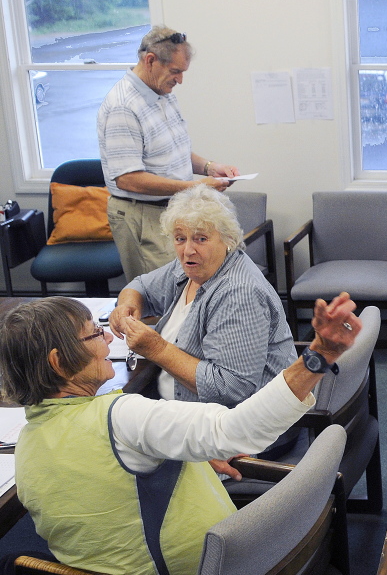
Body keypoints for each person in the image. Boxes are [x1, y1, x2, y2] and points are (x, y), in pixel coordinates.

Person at [0, 294, 360, 575]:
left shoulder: (27, 447)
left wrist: (187, 454)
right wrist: (319, 354)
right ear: (58, 362)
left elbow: (102, 484)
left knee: (17, 566)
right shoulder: (123, 417)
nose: (109, 336)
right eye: (94, 334)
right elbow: (238, 430)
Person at [108, 185, 297, 462]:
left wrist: (157, 349)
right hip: (184, 413)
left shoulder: (238, 293)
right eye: (179, 238)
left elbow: (232, 388)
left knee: (111, 452)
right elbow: (141, 287)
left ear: (227, 239)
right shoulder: (189, 267)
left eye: (201, 238)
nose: (187, 250)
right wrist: (127, 304)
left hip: (233, 430)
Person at [98, 25, 240, 281]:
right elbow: (127, 178)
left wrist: (208, 167)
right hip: (142, 214)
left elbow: (173, 153)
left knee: (186, 287)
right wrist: (193, 186)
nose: (180, 80)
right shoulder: (123, 106)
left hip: (170, 208)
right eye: (175, 71)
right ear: (150, 60)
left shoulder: (162, 93)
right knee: (161, 294)